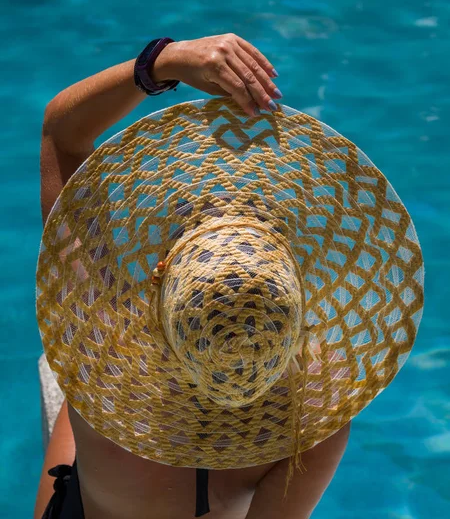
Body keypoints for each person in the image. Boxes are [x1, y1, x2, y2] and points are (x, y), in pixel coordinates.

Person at [34, 33, 423, 519]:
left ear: (161, 273)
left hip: (85, 502)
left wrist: (163, 62)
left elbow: (60, 133)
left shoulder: (96, 328)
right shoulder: (315, 409)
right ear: (297, 284)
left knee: (67, 379)